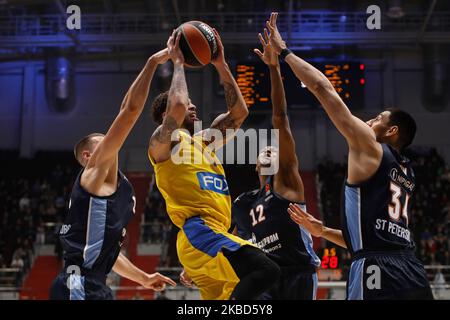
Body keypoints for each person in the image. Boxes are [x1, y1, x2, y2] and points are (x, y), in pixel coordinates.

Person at [263, 12, 433, 300]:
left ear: (391, 131)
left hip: (375, 270)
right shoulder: (407, 173)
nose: (368, 121)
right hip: (412, 269)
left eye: (378, 118)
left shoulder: (369, 145)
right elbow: (371, 240)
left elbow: (322, 88)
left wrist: (285, 52)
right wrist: (322, 230)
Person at [148, 29, 280, 300]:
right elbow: (178, 106)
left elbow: (240, 113)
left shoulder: (203, 142)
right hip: (200, 232)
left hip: (212, 234)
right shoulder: (163, 143)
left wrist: (220, 64)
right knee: (266, 270)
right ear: (165, 116)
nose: (192, 107)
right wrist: (179, 63)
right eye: (189, 105)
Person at [49, 46, 176, 300]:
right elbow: (128, 112)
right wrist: (152, 63)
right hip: (78, 283)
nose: (109, 139)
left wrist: (144, 278)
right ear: (88, 156)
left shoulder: (118, 185)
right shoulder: (93, 175)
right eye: (102, 140)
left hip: (95, 283)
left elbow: (110, 253)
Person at [231, 22, 320, 300]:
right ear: (256, 165)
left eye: (274, 150)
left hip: (297, 273)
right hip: (265, 277)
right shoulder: (244, 203)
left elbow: (280, 118)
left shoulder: (286, 183)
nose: (270, 151)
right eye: (264, 151)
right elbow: (230, 240)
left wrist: (273, 67)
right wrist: (199, 267)